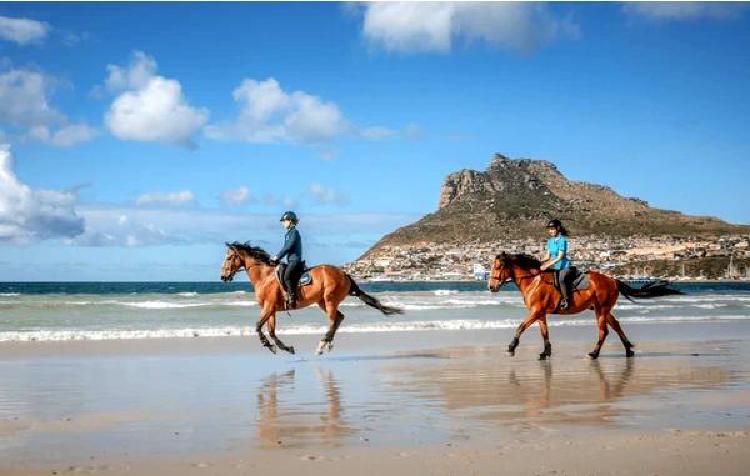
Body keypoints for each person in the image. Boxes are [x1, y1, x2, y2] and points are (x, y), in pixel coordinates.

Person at [271, 211, 303, 309]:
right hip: (290, 260)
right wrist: (277, 257)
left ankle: (292, 299)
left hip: (295, 260)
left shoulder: (294, 232)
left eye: (284, 221)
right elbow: (285, 247)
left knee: (286, 277)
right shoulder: (288, 233)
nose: (282, 223)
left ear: (290, 221)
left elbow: (288, 247)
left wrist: (278, 256)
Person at [540, 219, 571, 309]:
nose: (551, 231)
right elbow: (548, 256)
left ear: (558, 228)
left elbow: (560, 257)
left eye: (553, 229)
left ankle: (566, 300)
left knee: (561, 280)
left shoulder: (562, 240)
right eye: (549, 229)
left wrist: (547, 265)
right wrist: (540, 261)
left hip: (564, 266)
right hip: (555, 266)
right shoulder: (550, 241)